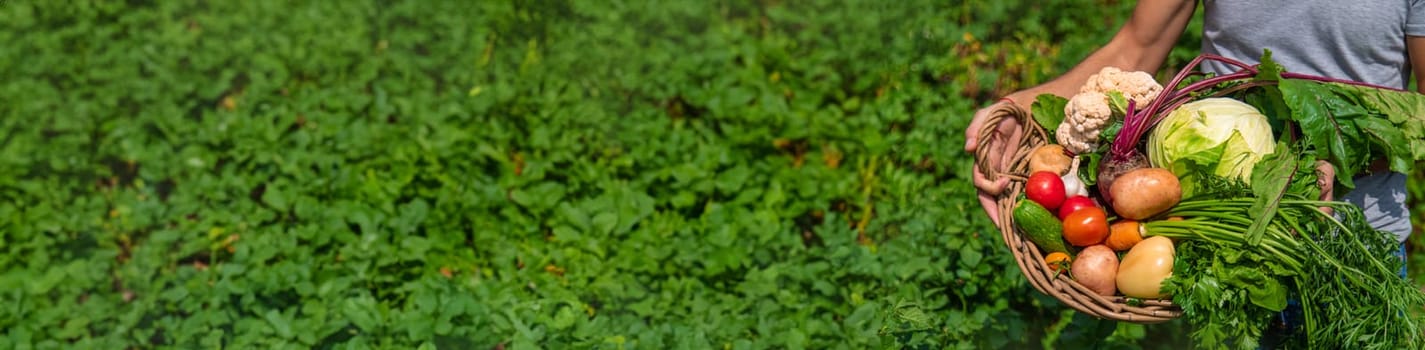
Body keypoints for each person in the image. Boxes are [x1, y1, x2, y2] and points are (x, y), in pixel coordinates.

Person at [965, 0, 1424, 345]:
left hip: (1355, 262)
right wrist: (1015, 107)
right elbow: (1136, 47)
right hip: (1220, 259)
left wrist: (1330, 159)